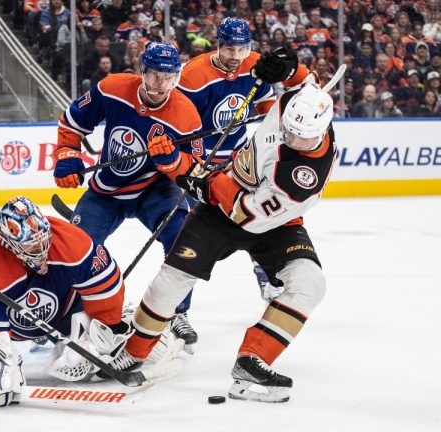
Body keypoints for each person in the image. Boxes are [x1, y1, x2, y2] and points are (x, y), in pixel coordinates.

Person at [119, 76, 336, 404]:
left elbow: (241, 212)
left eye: (299, 136)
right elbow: (301, 78)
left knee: (309, 283)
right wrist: (285, 68)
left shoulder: (300, 178)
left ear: (321, 131)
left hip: (265, 219)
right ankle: (133, 352)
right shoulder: (295, 108)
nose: (289, 137)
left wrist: (184, 169)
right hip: (231, 201)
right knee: (172, 281)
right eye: (288, 128)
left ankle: (253, 359)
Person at [0, 197, 177, 406]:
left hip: (64, 310)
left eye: (43, 239)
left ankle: (132, 333)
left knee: (111, 343)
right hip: (6, 324)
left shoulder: (72, 243)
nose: (41, 249)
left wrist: (101, 332)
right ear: (8, 243)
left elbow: (107, 287)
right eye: (31, 246)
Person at [52, 42, 202, 347]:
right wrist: (67, 153)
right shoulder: (113, 88)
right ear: (142, 71)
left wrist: (173, 162)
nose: (161, 83)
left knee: (183, 239)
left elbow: (196, 169)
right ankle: (67, 313)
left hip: (156, 190)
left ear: (177, 77)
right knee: (73, 248)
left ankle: (178, 311)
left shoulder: (186, 114)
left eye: (169, 76)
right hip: (107, 189)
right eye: (155, 74)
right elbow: (72, 120)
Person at [171, 17, 310, 347]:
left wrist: (267, 113)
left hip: (238, 161)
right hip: (200, 160)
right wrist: (193, 159)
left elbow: (265, 108)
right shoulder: (193, 74)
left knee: (253, 216)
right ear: (217, 45)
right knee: (191, 235)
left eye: (242, 48)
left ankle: (265, 274)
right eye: (229, 48)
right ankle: (176, 311)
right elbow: (178, 117)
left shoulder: (256, 66)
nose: (236, 55)